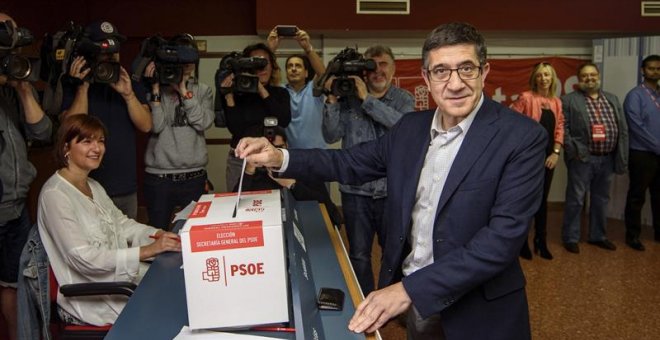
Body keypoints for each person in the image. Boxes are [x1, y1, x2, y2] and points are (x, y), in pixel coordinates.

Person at [237, 22, 546, 339]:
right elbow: (349, 162)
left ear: (484, 71)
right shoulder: (411, 129)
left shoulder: (521, 137)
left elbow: (500, 243)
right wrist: (280, 157)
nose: (455, 83)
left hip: (480, 315)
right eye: (441, 71)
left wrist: (408, 290)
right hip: (420, 309)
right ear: (426, 77)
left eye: (466, 68)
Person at [37, 114, 180, 326]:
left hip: (116, 280)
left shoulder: (93, 185)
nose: (97, 148)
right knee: (171, 305)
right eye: (87, 141)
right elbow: (83, 258)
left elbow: (122, 224)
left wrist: (156, 234)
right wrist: (147, 250)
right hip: (92, 293)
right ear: (66, 147)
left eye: (100, 141)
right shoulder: (55, 195)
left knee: (177, 283)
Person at [322, 44, 414, 295]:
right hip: (354, 190)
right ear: (364, 71)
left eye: (383, 64)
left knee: (393, 251)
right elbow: (330, 135)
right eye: (371, 65)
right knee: (359, 254)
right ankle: (364, 302)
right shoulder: (347, 98)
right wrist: (331, 99)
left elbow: (403, 130)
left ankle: (391, 302)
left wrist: (367, 100)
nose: (377, 71)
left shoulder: (404, 99)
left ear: (393, 68)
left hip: (391, 190)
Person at [61, 20, 152, 219]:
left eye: (114, 52)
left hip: (125, 187)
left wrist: (128, 95)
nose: (109, 58)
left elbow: (146, 125)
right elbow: (71, 127)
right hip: (86, 187)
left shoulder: (129, 82)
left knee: (127, 243)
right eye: (104, 53)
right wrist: (82, 86)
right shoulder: (74, 84)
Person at [0, 12, 52, 340]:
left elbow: (44, 130)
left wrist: (21, 88)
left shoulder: (14, 80)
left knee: (13, 284)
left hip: (15, 209)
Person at [142, 34, 214, 230]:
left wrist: (183, 91)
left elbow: (202, 122)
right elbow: (155, 126)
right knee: (158, 231)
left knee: (196, 232)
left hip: (194, 176)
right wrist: (156, 88)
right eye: (181, 60)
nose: (186, 64)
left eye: (190, 60)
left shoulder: (203, 90)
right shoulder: (156, 89)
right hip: (160, 177)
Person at [561, 63, 628, 254]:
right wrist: (575, 150)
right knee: (576, 199)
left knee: (601, 200)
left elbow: (622, 128)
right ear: (578, 79)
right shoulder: (569, 100)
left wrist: (621, 155)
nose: (589, 79)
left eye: (592, 75)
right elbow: (563, 128)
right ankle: (570, 237)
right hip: (583, 159)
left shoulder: (612, 99)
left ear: (598, 76)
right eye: (584, 76)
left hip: (606, 159)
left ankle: (598, 236)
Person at [233, 127, 342, 226]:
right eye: (270, 148)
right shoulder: (256, 173)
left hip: (306, 225)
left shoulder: (302, 167)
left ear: (287, 146)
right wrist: (248, 171)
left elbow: (326, 208)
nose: (273, 153)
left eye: (280, 148)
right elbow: (234, 205)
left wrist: (292, 184)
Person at [510, 62, 565, 260]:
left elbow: (559, 128)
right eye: (540, 75)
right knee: (526, 201)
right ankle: (521, 242)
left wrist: (556, 152)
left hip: (549, 158)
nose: (543, 78)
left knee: (543, 201)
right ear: (535, 78)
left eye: (547, 75)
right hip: (529, 158)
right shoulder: (526, 97)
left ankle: (541, 241)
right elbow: (512, 123)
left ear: (553, 78)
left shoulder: (557, 102)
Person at [220, 43, 291, 191]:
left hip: (272, 157)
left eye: (265, 62)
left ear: (272, 66)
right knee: (238, 205)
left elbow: (283, 120)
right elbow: (236, 130)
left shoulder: (280, 93)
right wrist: (229, 97)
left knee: (276, 204)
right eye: (256, 63)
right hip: (242, 159)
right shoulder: (238, 95)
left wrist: (260, 88)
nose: (262, 67)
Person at [267, 26, 327, 149]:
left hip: (317, 155)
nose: (293, 69)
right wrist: (270, 50)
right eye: (289, 66)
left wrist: (308, 48)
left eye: (298, 66)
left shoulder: (313, 89)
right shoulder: (280, 91)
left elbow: (323, 74)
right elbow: (265, 74)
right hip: (290, 156)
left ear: (306, 72)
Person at [623, 54, 660, 251]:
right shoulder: (635, 95)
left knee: (659, 196)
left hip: (658, 154)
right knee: (637, 196)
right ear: (643, 71)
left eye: (658, 69)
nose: (655, 72)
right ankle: (633, 236)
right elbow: (636, 126)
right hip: (642, 154)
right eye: (651, 68)